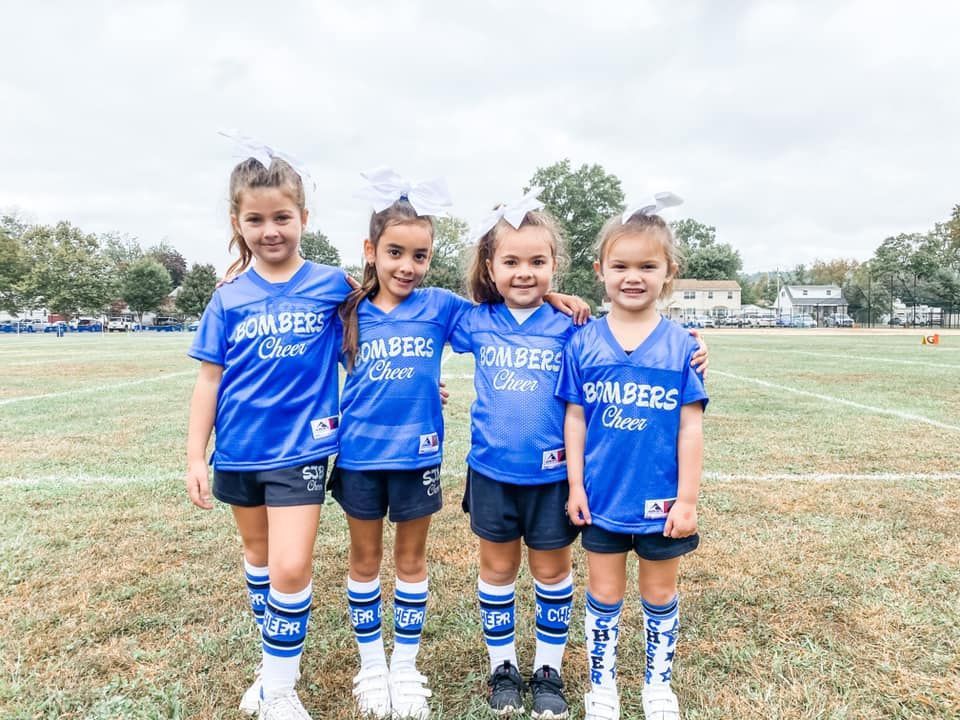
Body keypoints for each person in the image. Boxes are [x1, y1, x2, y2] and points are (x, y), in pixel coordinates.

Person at [335, 170, 588, 720]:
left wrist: (688, 342)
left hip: (540, 473)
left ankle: (544, 670)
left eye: (537, 263)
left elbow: (622, 339)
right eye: (512, 262)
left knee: (546, 572)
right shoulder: (353, 310)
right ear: (491, 269)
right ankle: (380, 667)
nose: (407, 265)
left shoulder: (546, 322)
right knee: (376, 560)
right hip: (408, 463)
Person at [185, 140, 353, 720]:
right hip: (238, 451)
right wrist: (194, 456)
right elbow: (209, 382)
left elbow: (381, 326)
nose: (270, 230)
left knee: (289, 566)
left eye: (282, 217)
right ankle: (270, 668)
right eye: (255, 219)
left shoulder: (334, 286)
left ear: (304, 217)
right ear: (238, 222)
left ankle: (281, 690)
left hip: (302, 448)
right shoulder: (227, 297)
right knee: (258, 559)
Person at [556, 195, 708, 720]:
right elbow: (574, 419)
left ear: (670, 273)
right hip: (601, 498)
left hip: (661, 502)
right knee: (603, 594)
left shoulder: (682, 347)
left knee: (659, 595)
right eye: (620, 265)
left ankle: (656, 685)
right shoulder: (583, 344)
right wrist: (575, 486)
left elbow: (690, 426)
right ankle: (603, 685)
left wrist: (687, 499)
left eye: (648, 266)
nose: (633, 276)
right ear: (600, 271)